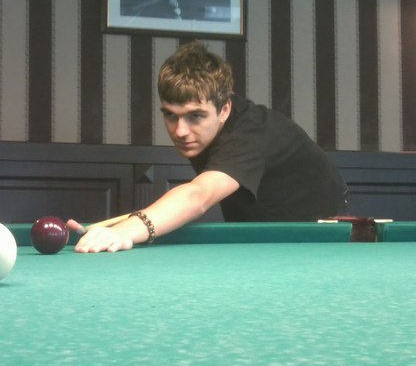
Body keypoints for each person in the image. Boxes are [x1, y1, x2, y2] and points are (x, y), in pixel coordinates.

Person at [68, 41, 348, 253]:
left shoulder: (249, 135)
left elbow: (198, 195)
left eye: (195, 116)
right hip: (260, 227)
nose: (180, 131)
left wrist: (126, 231)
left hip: (316, 236)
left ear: (224, 109)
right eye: (170, 115)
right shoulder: (213, 122)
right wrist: (113, 229)